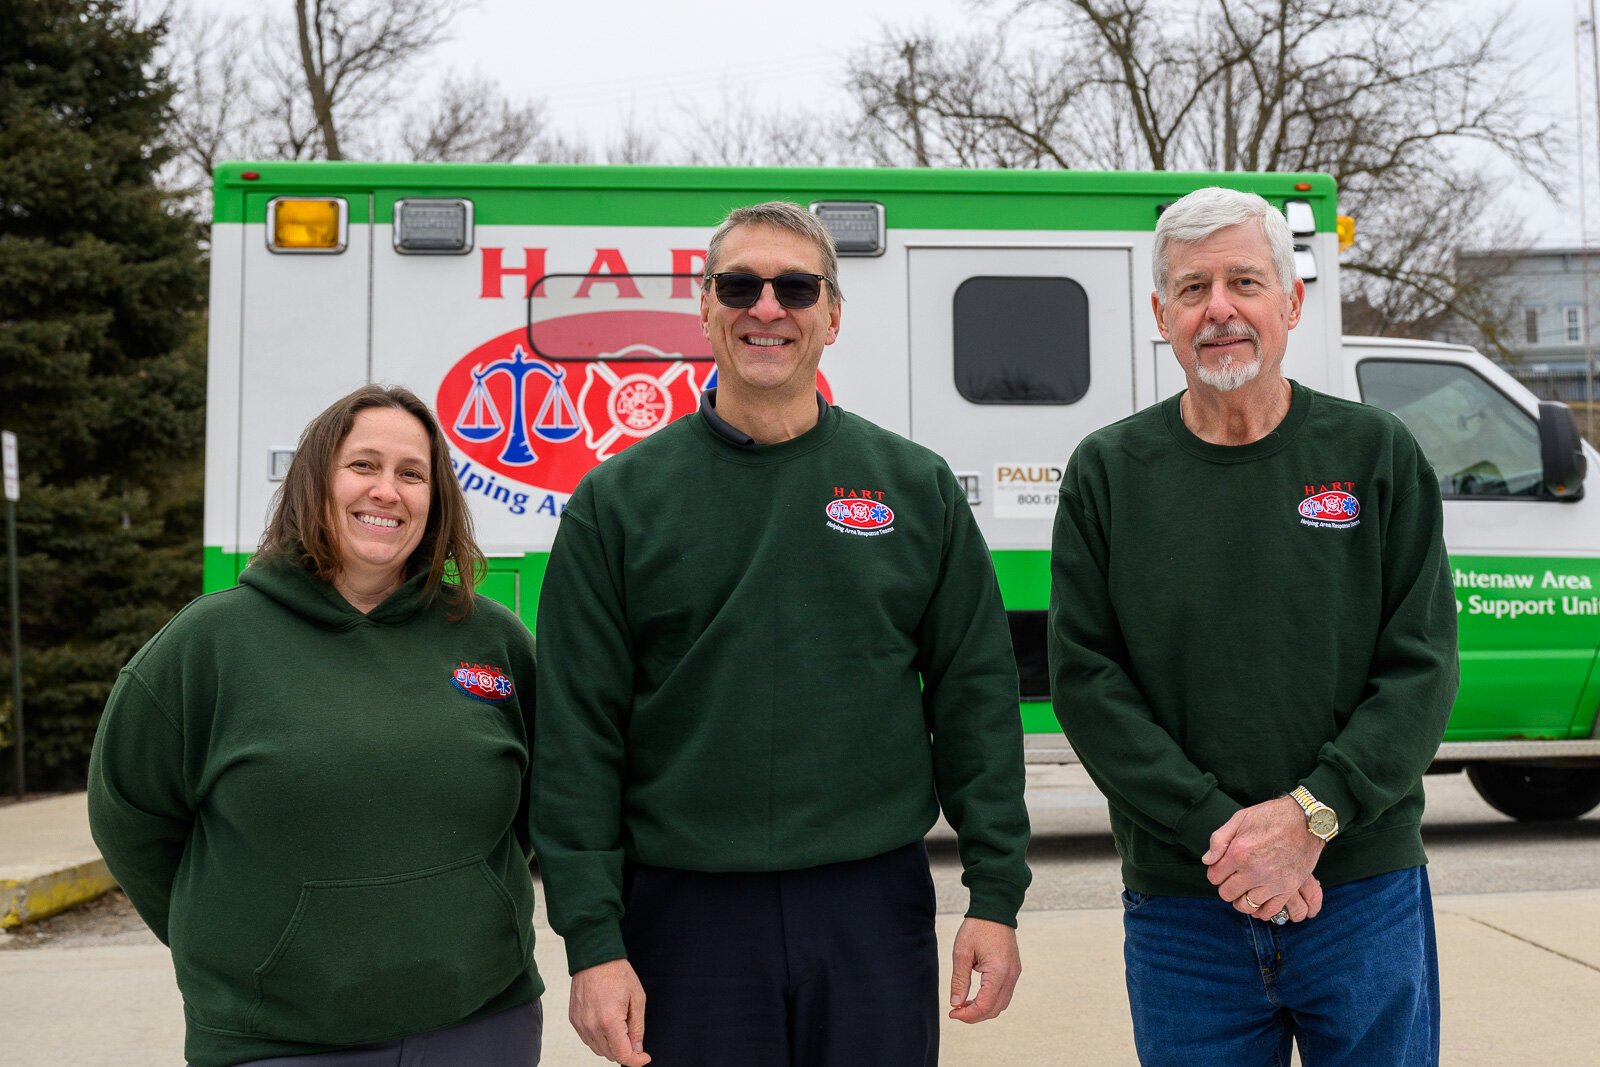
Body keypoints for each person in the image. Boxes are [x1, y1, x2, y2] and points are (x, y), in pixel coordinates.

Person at [532, 201, 1031, 1066]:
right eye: (741, 285)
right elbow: (576, 736)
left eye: (796, 287)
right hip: (686, 917)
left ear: (832, 315)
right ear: (704, 305)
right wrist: (592, 939)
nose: (768, 308)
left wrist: (996, 894)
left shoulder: (915, 489)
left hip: (873, 906)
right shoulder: (618, 503)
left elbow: (977, 700)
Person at [1049, 186, 1458, 1065]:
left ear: (1293, 301)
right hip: (1185, 908)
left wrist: (1314, 816)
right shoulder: (1108, 473)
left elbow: (1420, 666)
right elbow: (1087, 681)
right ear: (1161, 314)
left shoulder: (1375, 454)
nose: (1220, 309)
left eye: (1244, 280)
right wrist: (1226, 838)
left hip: (1362, 892)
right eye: (1193, 289)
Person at [88, 385, 543, 1067]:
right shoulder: (208, 645)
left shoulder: (492, 639)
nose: (387, 490)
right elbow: (130, 818)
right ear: (315, 483)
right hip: (277, 1043)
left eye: (411, 473)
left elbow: (552, 804)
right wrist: (239, 951)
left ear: (435, 499)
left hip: (481, 1025)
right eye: (363, 465)